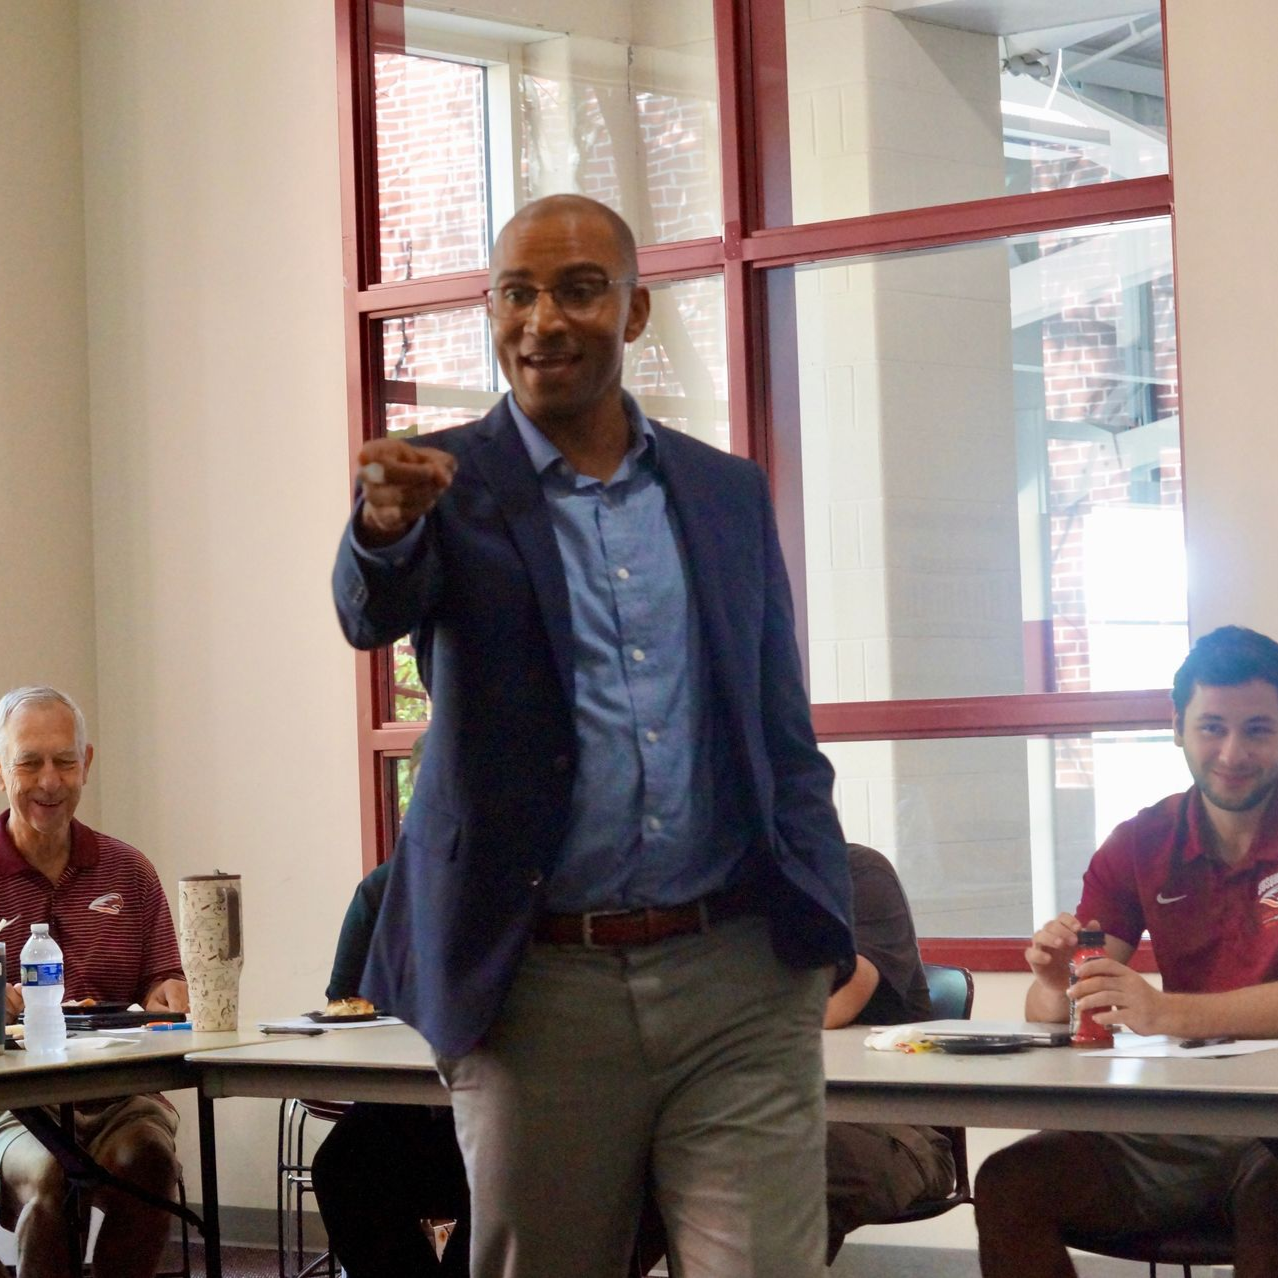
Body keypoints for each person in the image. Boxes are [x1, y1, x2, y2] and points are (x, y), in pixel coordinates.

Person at [332, 193, 854, 1278]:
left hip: (736, 975)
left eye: (577, 291)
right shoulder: (442, 484)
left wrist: (818, 925)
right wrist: (382, 527)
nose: (544, 321)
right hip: (537, 986)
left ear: (634, 311)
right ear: (492, 312)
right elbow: (369, 613)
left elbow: (779, 725)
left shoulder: (725, 492)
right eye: (516, 294)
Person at [975, 625, 1278, 1278]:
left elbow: (1159, 1012)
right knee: (1008, 1183)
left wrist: (1166, 1012)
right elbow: (1055, 1010)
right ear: (1177, 728)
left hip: (1271, 1130)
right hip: (1170, 1122)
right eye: (1212, 727)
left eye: (1258, 729)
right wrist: (1055, 983)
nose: (1233, 752)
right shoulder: (1141, 841)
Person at [0, 685, 188, 1278]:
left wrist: (168, 995)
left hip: (118, 1094)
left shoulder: (129, 871)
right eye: (29, 762)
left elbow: (164, 982)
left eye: (63, 761)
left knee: (150, 1161)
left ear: (86, 763)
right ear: (2, 768)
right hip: (12, 1106)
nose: (48, 782)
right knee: (52, 1177)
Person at [310, 860, 471, 1278]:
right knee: (339, 1167)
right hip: (405, 1098)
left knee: (478, 1174)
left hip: (489, 1092)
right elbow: (344, 1004)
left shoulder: (510, 884)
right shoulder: (382, 891)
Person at [822, 843, 954, 1263]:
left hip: (898, 1128)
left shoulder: (858, 874)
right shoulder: (716, 898)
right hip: (780, 1114)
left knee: (769, 1161)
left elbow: (835, 1007)